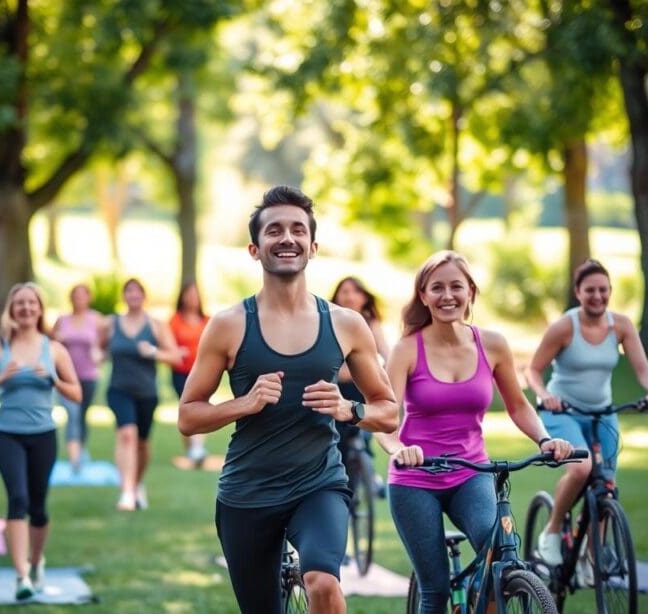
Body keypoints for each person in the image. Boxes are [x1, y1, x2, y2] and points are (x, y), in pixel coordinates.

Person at [178, 185, 398, 614]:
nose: (287, 238)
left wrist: (349, 409)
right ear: (254, 249)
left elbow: (388, 412)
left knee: (324, 584)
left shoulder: (347, 324)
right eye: (274, 230)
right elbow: (188, 416)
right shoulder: (228, 324)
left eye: (298, 230)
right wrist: (244, 403)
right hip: (248, 491)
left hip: (318, 484)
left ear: (313, 247)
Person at [376, 250, 573, 614]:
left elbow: (518, 406)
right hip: (415, 479)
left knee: (500, 555)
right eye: (437, 288)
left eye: (456, 286)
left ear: (471, 292)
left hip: (471, 473)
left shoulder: (493, 344)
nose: (447, 295)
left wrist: (545, 439)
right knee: (435, 590)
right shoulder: (407, 349)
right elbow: (384, 417)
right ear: (423, 296)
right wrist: (397, 448)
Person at [525, 258, 648, 568]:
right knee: (581, 469)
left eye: (603, 290)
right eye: (590, 290)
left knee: (606, 484)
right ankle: (552, 531)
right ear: (578, 292)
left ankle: (591, 555)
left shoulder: (621, 326)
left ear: (610, 291)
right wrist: (546, 396)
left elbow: (643, 369)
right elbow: (533, 370)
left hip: (603, 413)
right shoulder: (565, 327)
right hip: (563, 412)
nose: (597, 296)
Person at [0, 282, 80, 600]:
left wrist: (53, 379)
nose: (26, 308)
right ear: (11, 310)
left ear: (40, 309)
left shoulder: (54, 350)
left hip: (43, 435)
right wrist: (0, 379)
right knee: (17, 499)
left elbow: (76, 393)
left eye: (31, 303)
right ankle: (21, 575)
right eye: (19, 303)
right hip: (7, 434)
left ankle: (36, 561)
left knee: (38, 506)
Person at [102, 278, 182, 511]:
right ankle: (127, 493)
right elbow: (100, 347)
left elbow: (175, 357)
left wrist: (153, 352)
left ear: (144, 297)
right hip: (118, 389)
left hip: (147, 393)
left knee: (142, 443)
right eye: (129, 291)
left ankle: (137, 484)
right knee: (127, 434)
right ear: (124, 296)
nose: (133, 295)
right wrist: (98, 354)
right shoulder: (111, 323)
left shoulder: (155, 325)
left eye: (137, 292)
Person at [330, 276, 390, 468]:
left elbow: (387, 354)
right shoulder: (330, 322)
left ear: (364, 297)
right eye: (345, 292)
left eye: (356, 291)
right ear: (336, 297)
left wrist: (379, 374)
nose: (350, 296)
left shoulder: (371, 324)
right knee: (336, 443)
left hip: (362, 392)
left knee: (362, 441)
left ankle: (368, 473)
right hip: (336, 392)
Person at [52, 283, 103, 471]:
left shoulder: (96, 319)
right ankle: (75, 459)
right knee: (73, 414)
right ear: (71, 298)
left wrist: (100, 355)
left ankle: (81, 448)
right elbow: (50, 344)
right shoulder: (62, 320)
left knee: (82, 415)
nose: (79, 299)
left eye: (83, 295)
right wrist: (57, 338)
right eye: (76, 295)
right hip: (65, 376)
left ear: (89, 298)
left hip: (88, 376)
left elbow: (104, 346)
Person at [169, 280, 210, 466]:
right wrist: (177, 352)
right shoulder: (175, 321)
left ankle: (197, 447)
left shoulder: (207, 320)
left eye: (195, 295)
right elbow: (168, 344)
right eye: (189, 294)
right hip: (181, 373)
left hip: (203, 371)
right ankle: (192, 448)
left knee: (201, 407)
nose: (192, 298)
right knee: (187, 409)